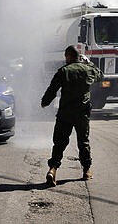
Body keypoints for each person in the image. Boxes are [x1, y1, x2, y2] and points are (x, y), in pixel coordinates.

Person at [41, 45, 103, 187]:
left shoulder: (63, 71)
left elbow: (52, 89)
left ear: (68, 56)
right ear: (79, 56)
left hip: (65, 113)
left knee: (60, 142)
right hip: (82, 113)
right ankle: (86, 170)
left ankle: (53, 169)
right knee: (83, 141)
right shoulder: (88, 70)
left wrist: (45, 102)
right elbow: (100, 75)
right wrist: (88, 63)